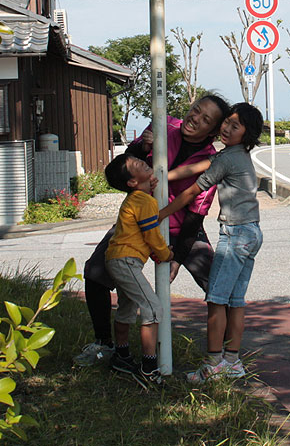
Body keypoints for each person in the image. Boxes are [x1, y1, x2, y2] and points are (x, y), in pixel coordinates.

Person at [74, 94, 230, 367]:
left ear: (213, 132)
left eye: (206, 119)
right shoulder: (163, 125)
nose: (195, 118)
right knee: (95, 272)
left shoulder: (211, 160)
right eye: (196, 110)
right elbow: (123, 169)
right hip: (136, 222)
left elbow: (195, 215)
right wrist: (141, 146)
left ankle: (224, 355)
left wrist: (178, 258)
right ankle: (104, 344)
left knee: (216, 285)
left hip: (180, 226)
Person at [158, 103, 264, 383]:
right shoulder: (236, 154)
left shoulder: (227, 159)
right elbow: (197, 167)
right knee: (235, 302)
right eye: (226, 122)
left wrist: (161, 214)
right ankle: (232, 362)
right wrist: (163, 176)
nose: (226, 128)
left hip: (236, 234)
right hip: (252, 232)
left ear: (246, 134)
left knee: (216, 301)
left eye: (235, 126)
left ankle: (213, 364)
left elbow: (192, 191)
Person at [101, 153, 173, 385]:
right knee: (152, 308)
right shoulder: (144, 201)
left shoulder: (137, 198)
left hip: (117, 258)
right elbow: (152, 234)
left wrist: (148, 187)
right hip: (126, 260)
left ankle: (121, 356)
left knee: (127, 308)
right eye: (136, 164)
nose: (141, 161)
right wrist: (166, 254)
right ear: (132, 181)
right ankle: (149, 368)